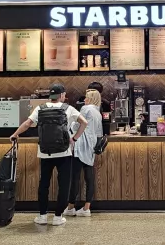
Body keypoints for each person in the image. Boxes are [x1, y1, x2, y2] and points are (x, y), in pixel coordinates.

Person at [10, 82, 87, 226]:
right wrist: (74, 138)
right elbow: (84, 122)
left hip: (45, 152)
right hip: (64, 152)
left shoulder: (40, 108)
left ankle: (42, 216)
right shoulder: (68, 108)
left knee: (44, 184)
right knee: (63, 185)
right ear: (62, 95)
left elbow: (27, 124)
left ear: (51, 96)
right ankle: (58, 217)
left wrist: (15, 134)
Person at [64, 88, 103, 217]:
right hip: (90, 147)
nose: (84, 99)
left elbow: (76, 125)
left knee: (75, 178)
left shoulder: (86, 109)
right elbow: (99, 133)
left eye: (86, 97)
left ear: (90, 99)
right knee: (89, 177)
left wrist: (69, 131)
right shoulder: (98, 112)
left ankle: (70, 207)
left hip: (80, 145)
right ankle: (87, 208)